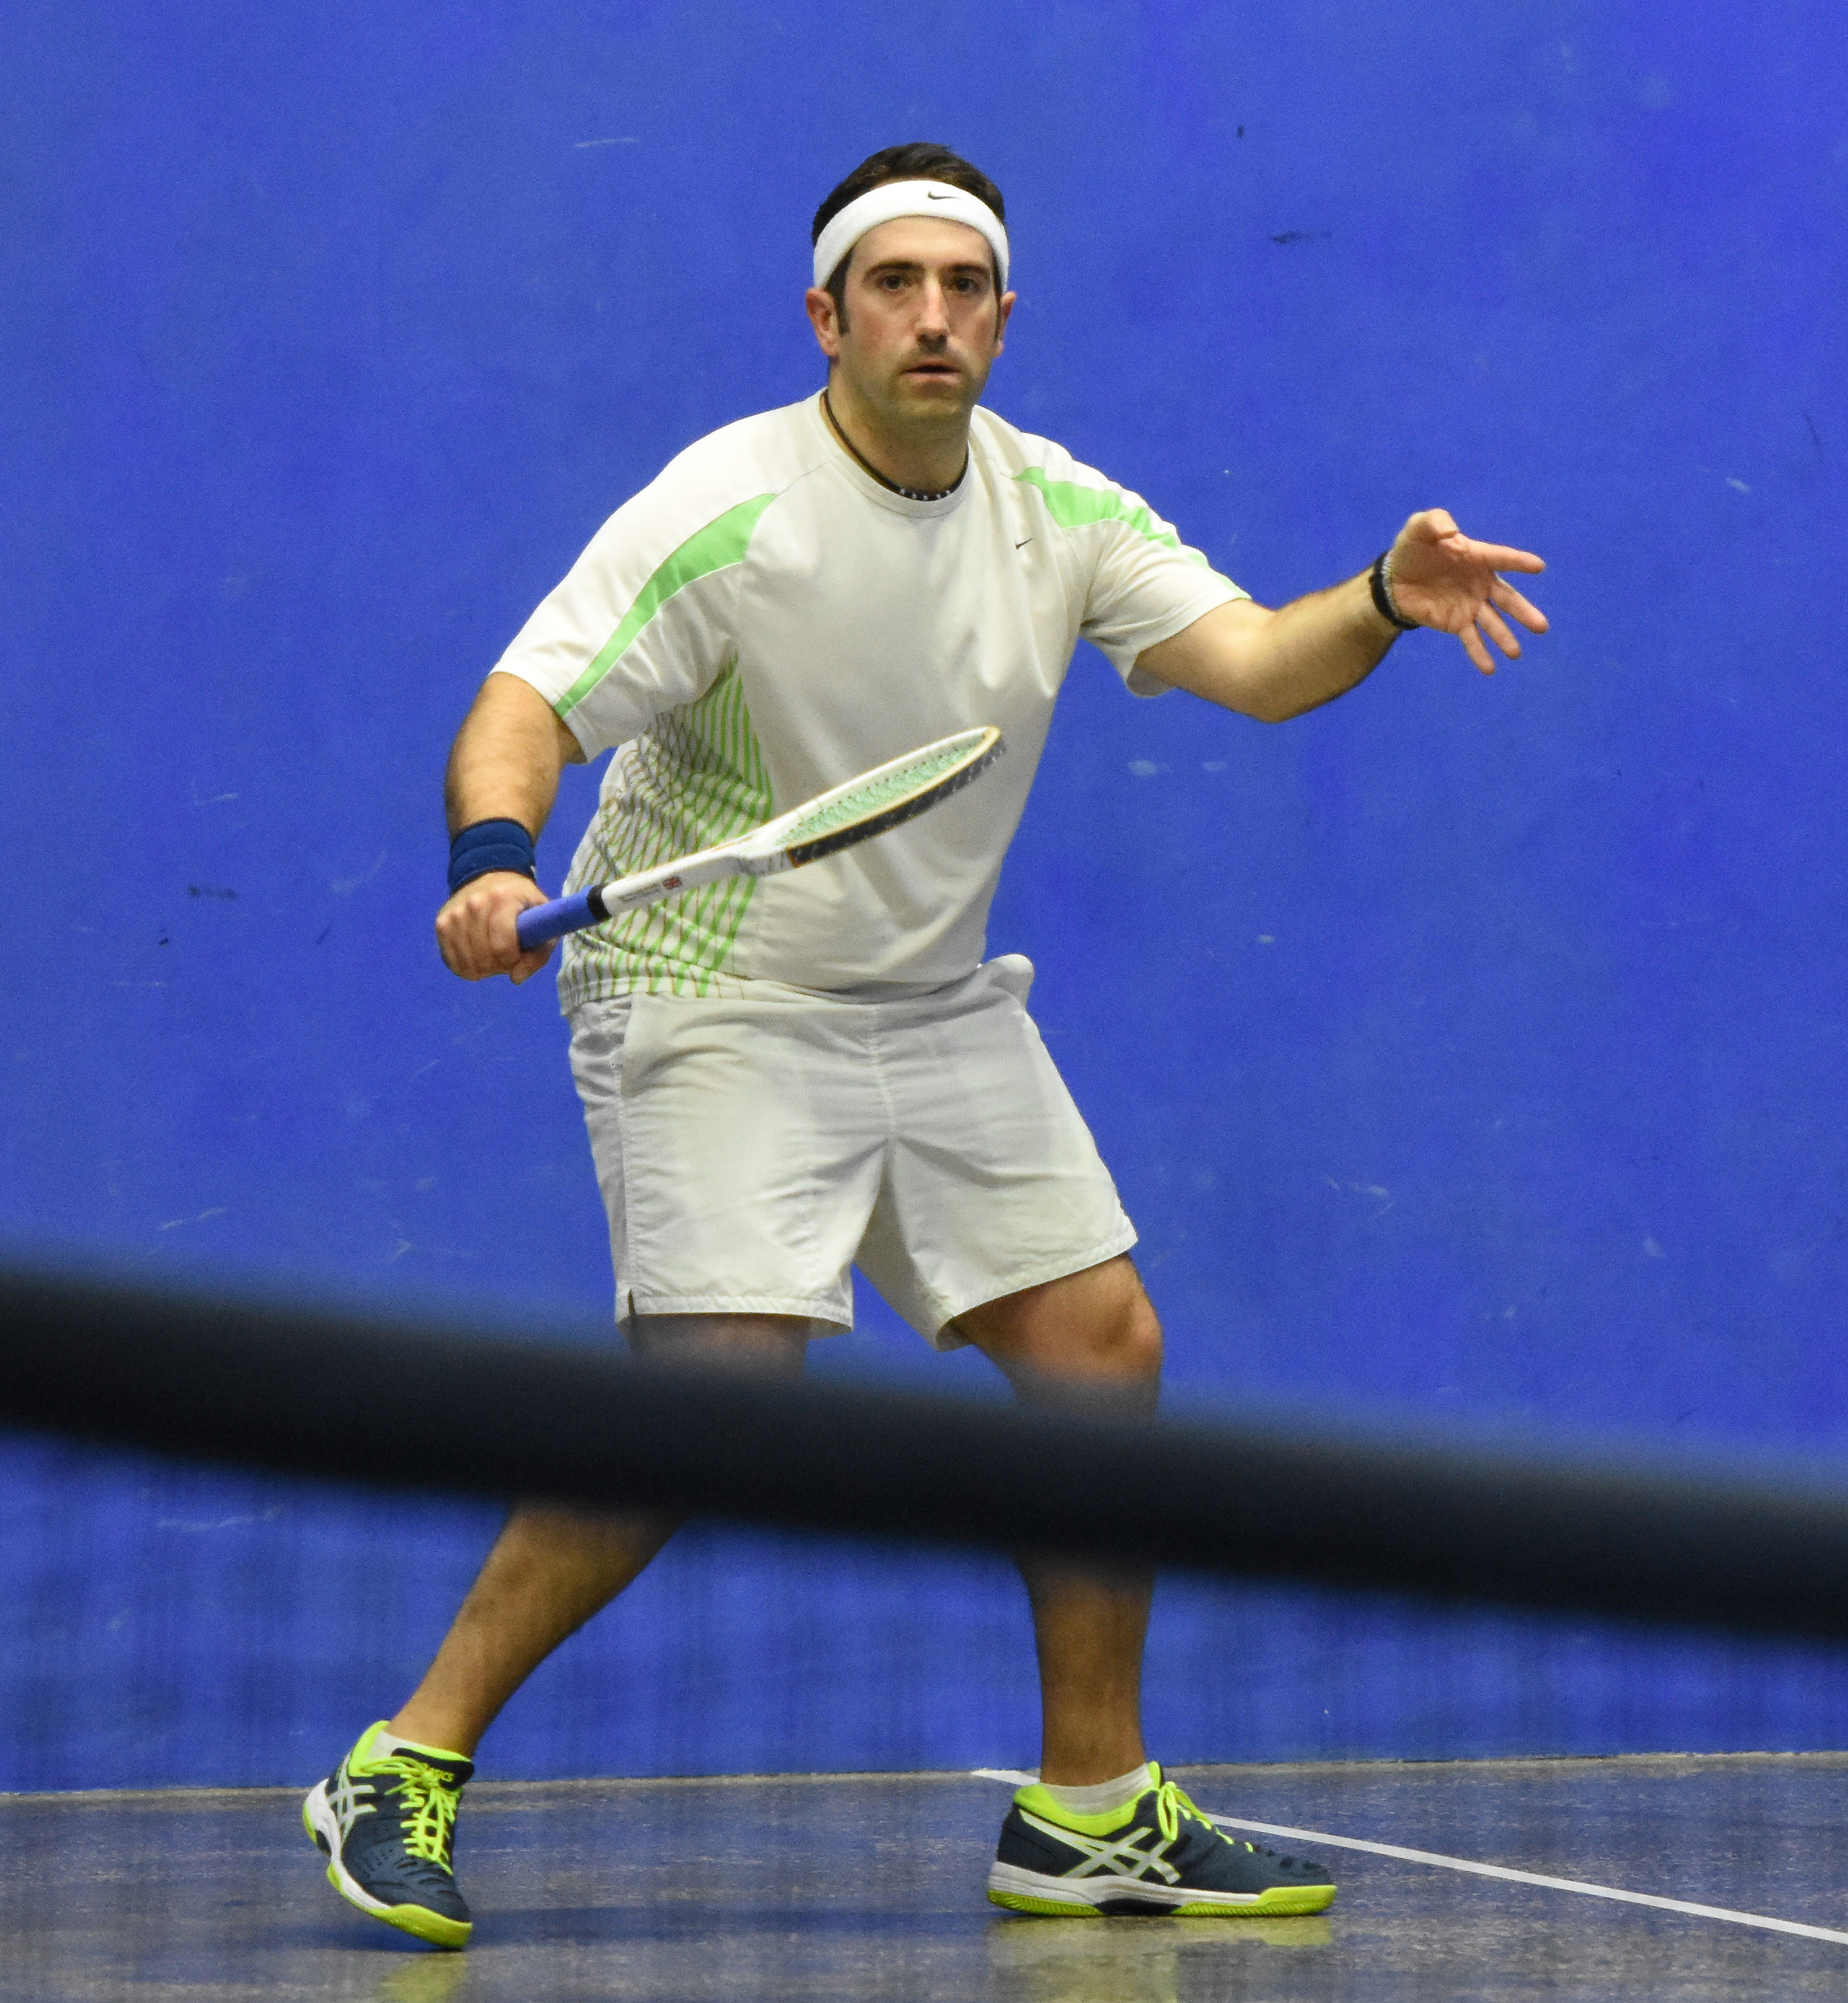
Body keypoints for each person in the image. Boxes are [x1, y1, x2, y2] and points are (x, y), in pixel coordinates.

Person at [302, 141, 1546, 1949]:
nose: (934, 316)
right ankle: (400, 1763)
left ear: (1004, 320)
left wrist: (1376, 595)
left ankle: (1089, 1810)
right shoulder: (729, 508)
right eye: (896, 284)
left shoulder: (1060, 511)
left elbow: (1262, 665)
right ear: (828, 316)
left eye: (965, 288)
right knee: (718, 1388)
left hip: (929, 995)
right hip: (709, 985)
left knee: (1101, 1351)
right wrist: (494, 859)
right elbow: (528, 703)